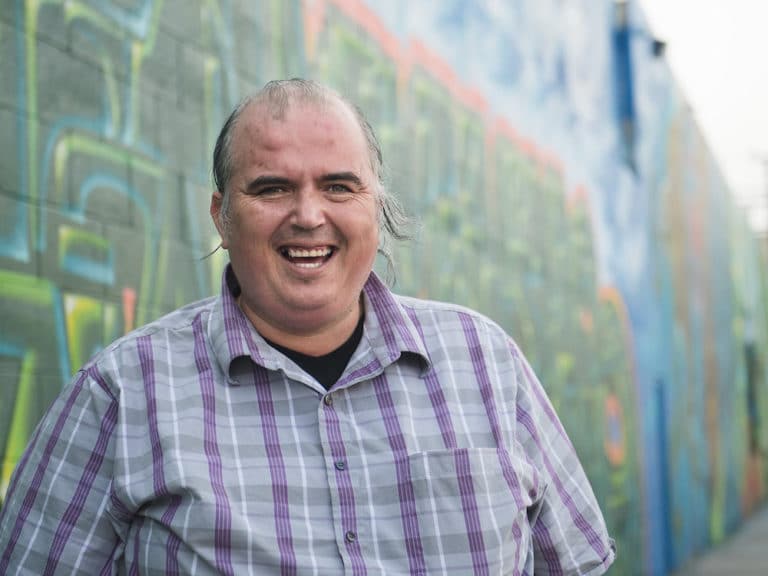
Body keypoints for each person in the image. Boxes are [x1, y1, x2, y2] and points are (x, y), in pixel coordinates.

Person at [0, 79, 615, 575]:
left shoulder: (486, 364)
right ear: (221, 217)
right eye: (272, 188)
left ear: (375, 205)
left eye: (339, 186)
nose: (308, 215)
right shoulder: (122, 394)